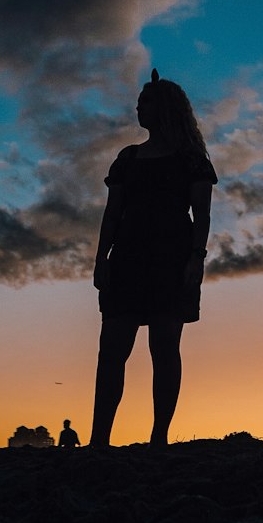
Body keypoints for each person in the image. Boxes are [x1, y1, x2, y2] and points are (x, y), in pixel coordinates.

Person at [91, 69, 217, 448]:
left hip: (171, 258)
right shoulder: (127, 159)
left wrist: (197, 258)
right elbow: (112, 214)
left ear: (164, 108)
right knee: (112, 348)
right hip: (128, 258)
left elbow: (202, 215)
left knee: (164, 348)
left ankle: (159, 438)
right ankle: (99, 439)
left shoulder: (191, 159)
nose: (137, 107)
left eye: (145, 101)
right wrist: (101, 258)